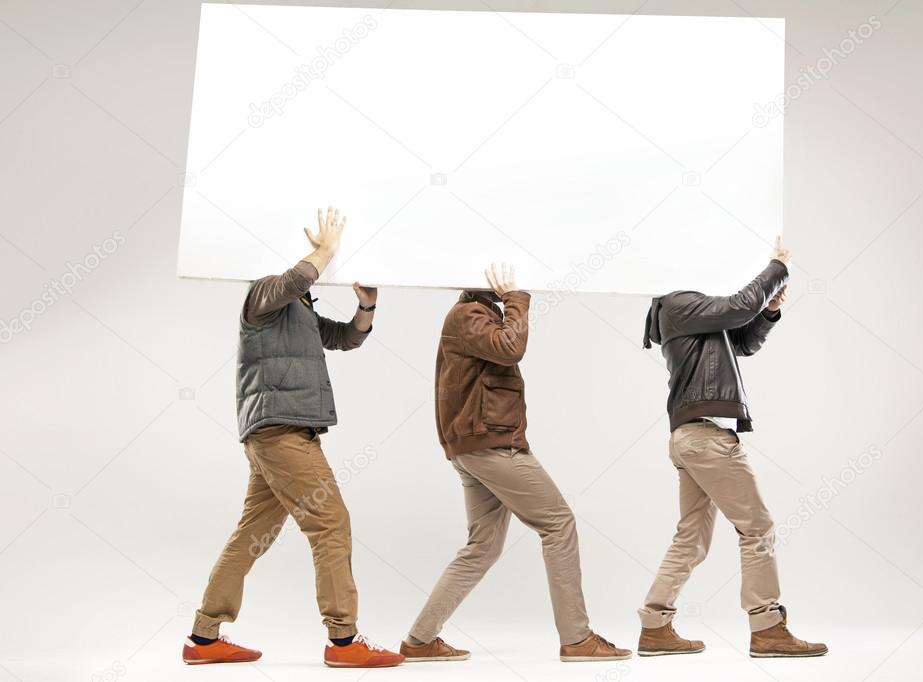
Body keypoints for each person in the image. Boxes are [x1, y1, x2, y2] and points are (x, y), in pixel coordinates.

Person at [182, 207, 404, 668]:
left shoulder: (298, 309)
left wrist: (367, 306)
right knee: (331, 523)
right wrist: (324, 249)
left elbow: (345, 339)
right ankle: (343, 642)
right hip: (280, 431)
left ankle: (203, 638)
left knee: (253, 532)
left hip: (281, 432)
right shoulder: (264, 292)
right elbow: (291, 282)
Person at [400, 263, 631, 663]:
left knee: (482, 547)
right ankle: (577, 639)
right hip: (490, 444)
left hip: (475, 445)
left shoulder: (473, 314)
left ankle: (419, 640)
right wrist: (517, 298)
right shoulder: (468, 313)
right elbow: (511, 347)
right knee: (559, 524)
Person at [637, 237, 827, 658]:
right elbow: (740, 306)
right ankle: (767, 629)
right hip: (707, 437)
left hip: (693, 437)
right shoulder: (678, 301)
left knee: (691, 538)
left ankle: (654, 626)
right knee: (757, 528)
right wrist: (777, 266)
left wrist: (770, 310)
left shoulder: (690, 309)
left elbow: (741, 341)